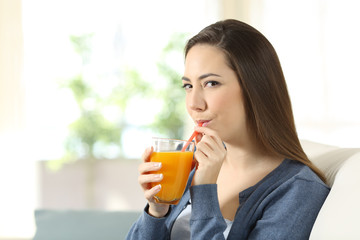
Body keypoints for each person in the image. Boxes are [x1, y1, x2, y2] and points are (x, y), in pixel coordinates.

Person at [126, 19, 329, 240]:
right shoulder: (191, 164)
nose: (194, 103)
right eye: (188, 86)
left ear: (255, 88)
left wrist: (204, 191)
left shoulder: (298, 192)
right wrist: (157, 211)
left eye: (211, 83)